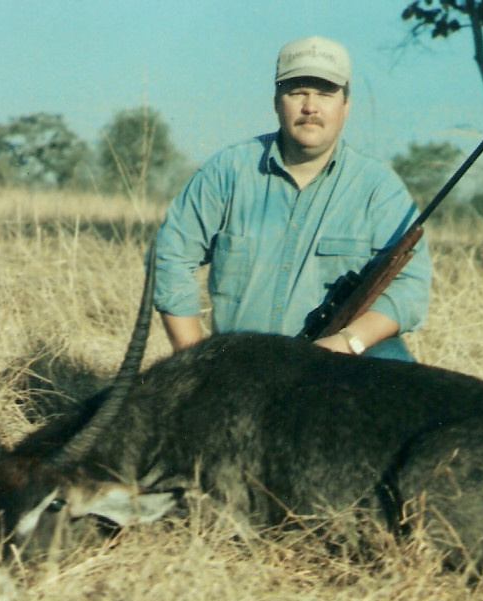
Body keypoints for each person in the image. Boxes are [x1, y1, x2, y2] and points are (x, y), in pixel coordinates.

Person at [152, 35, 431, 361]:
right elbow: (170, 255)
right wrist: (194, 361)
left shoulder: (380, 189)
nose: (310, 107)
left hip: (335, 364)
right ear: (276, 101)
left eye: (325, 93)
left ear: (346, 106)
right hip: (239, 369)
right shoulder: (227, 171)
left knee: (392, 361)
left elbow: (409, 287)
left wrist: (345, 342)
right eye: (297, 92)